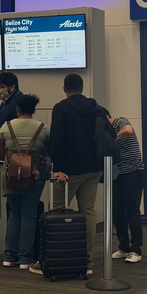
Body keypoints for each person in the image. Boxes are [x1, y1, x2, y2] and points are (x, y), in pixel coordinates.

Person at [46, 73, 104, 274]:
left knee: (57, 211)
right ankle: (87, 262)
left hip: (69, 171)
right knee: (88, 212)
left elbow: (57, 139)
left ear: (64, 88)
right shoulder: (96, 107)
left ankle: (59, 258)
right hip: (94, 168)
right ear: (82, 87)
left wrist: (58, 167)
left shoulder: (61, 107)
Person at [0, 93, 48, 271]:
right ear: (34, 110)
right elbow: (48, 152)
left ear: (17, 109)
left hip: (12, 176)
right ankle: (25, 259)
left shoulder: (7, 126)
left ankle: (9, 257)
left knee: (14, 213)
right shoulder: (43, 128)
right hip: (34, 176)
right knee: (29, 214)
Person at [108, 111, 145, 264]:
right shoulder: (104, 131)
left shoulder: (120, 122)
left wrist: (110, 140)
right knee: (118, 212)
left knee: (132, 211)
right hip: (118, 175)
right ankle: (124, 248)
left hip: (134, 173)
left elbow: (128, 131)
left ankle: (136, 250)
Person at [0, 72, 23, 148]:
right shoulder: (7, 100)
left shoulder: (19, 102)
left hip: (10, 146)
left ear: (12, 87)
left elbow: (17, 127)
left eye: (2, 87)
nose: (0, 90)